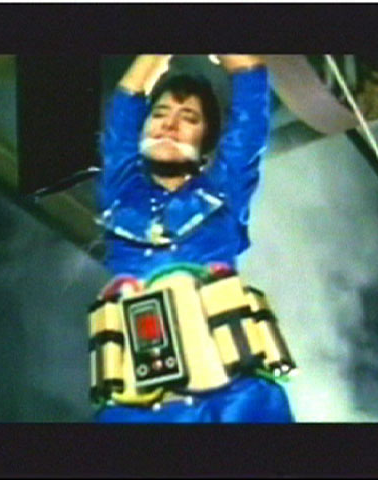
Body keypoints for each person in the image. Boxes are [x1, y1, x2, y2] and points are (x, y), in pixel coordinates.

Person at [92, 54, 294, 423]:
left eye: (189, 118)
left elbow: (251, 93)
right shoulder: (120, 195)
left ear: (205, 142)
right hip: (138, 410)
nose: (169, 126)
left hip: (235, 400)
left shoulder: (223, 191)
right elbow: (125, 104)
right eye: (159, 114)